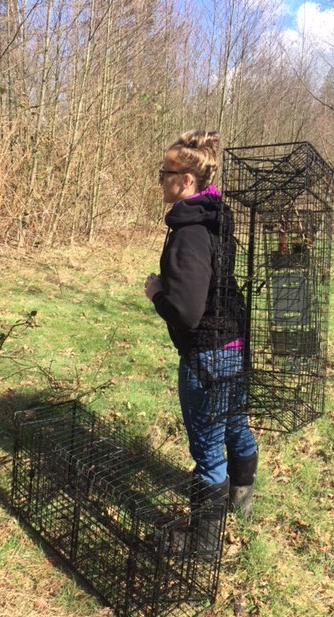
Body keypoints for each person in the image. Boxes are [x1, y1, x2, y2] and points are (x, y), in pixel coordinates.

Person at [144, 130, 258, 524]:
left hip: (206, 354)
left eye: (165, 171)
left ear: (186, 180)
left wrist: (157, 294)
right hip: (233, 343)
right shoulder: (215, 219)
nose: (160, 178)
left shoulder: (190, 234)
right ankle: (242, 502)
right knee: (236, 425)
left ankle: (203, 549)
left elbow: (187, 312)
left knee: (208, 451)